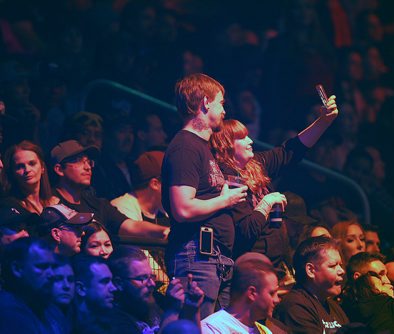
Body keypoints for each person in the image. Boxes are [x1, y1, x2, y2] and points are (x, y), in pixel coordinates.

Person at [209, 90, 338, 269]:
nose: (250, 140)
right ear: (226, 144)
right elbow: (245, 231)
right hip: (250, 266)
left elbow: (291, 150)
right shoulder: (227, 178)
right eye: (242, 137)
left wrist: (323, 122)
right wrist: (267, 202)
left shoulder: (256, 163)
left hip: (275, 262)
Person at [162, 73, 248, 318]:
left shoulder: (202, 147)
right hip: (197, 257)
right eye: (221, 102)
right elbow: (182, 209)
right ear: (205, 103)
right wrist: (225, 200)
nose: (224, 109)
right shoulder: (185, 147)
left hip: (213, 259)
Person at [51, 139, 168, 240]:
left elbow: (130, 226)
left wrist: (164, 230)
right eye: (78, 161)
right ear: (59, 169)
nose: (87, 167)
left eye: (88, 162)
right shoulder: (49, 203)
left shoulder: (98, 205)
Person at [109, 246, 204, 333]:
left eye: (151, 277)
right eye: (143, 278)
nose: (152, 284)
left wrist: (193, 309)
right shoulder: (113, 318)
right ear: (119, 283)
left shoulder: (155, 299)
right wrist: (172, 311)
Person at [111, 150, 169, 283]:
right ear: (155, 184)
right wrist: (167, 288)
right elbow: (140, 256)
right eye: (171, 179)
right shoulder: (122, 207)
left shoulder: (163, 210)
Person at [273, 236, 349, 333]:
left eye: (341, 265)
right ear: (310, 270)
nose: (342, 271)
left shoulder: (335, 308)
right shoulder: (295, 307)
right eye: (333, 266)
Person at [0, 237, 64, 333]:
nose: (52, 274)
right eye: (42, 266)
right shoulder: (6, 311)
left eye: (53, 267)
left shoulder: (51, 310)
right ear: (17, 269)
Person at [201, 259, 279, 334]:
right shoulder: (212, 328)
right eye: (272, 293)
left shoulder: (265, 331)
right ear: (252, 293)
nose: (277, 300)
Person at [0, 140, 59, 214]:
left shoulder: (55, 203)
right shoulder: (10, 208)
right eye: (20, 166)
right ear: (12, 172)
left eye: (32, 163)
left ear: (42, 168)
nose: (27, 170)